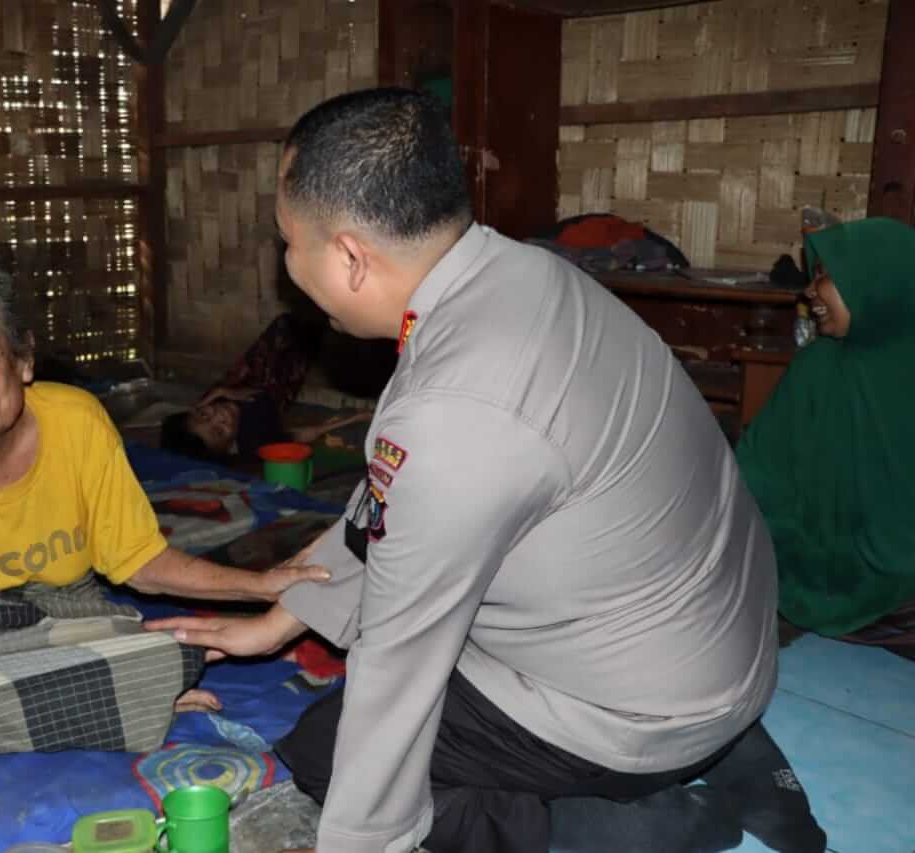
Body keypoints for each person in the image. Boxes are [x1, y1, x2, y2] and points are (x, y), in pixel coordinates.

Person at [150, 88, 825, 853]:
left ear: (349, 257)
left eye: (287, 242)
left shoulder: (455, 408)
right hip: (713, 639)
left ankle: (599, 825)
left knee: (329, 751)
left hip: (645, 707)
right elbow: (394, 508)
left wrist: (362, 837)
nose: (285, 263)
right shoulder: (521, 276)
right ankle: (712, 744)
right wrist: (279, 620)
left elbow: (401, 658)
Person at [0, 239, 328, 753]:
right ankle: (122, 703)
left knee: (162, 649)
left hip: (69, 614)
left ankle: (111, 695)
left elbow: (138, 560)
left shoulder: (78, 421)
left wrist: (261, 587)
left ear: (23, 360)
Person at [737, 217, 915, 658]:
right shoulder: (817, 366)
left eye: (825, 277)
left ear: (879, 282)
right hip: (813, 566)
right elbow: (759, 470)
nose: (809, 293)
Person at [160, 312, 370, 464]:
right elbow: (302, 434)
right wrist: (355, 418)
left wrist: (224, 392)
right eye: (219, 431)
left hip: (248, 381)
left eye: (204, 415)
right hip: (277, 391)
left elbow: (220, 397)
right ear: (229, 448)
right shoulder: (257, 441)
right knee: (311, 339)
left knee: (284, 324)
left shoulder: (215, 399)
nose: (219, 417)